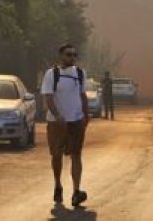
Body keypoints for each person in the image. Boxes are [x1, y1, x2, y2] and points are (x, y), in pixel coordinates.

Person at [41, 44, 90, 208]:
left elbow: (82, 95)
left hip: (76, 120)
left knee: (76, 154)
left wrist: (86, 115)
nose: (72, 58)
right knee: (57, 155)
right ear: (61, 55)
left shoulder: (80, 73)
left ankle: (76, 191)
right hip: (57, 122)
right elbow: (48, 98)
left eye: (75, 55)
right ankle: (58, 185)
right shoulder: (52, 74)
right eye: (69, 54)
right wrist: (57, 115)